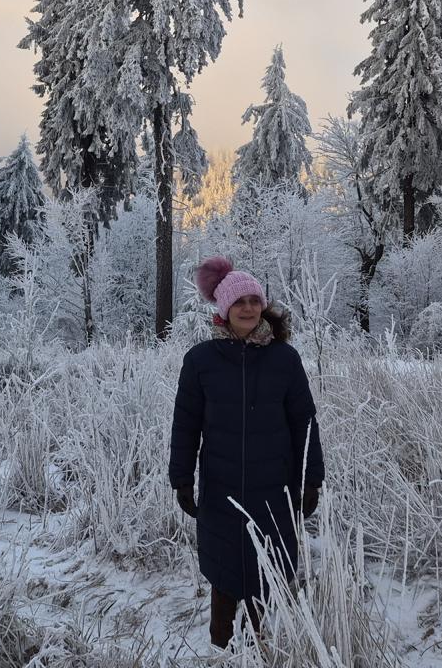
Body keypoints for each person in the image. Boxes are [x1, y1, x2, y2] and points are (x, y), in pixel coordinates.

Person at [168, 255, 325, 649]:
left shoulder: (284, 359)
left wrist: (312, 479)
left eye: (255, 300)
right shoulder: (200, 361)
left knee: (267, 569)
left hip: (274, 487)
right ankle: (220, 645)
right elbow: (185, 424)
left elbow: (304, 422)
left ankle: (259, 646)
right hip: (221, 489)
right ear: (224, 308)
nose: (249, 308)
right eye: (239, 301)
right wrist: (181, 478)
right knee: (223, 572)